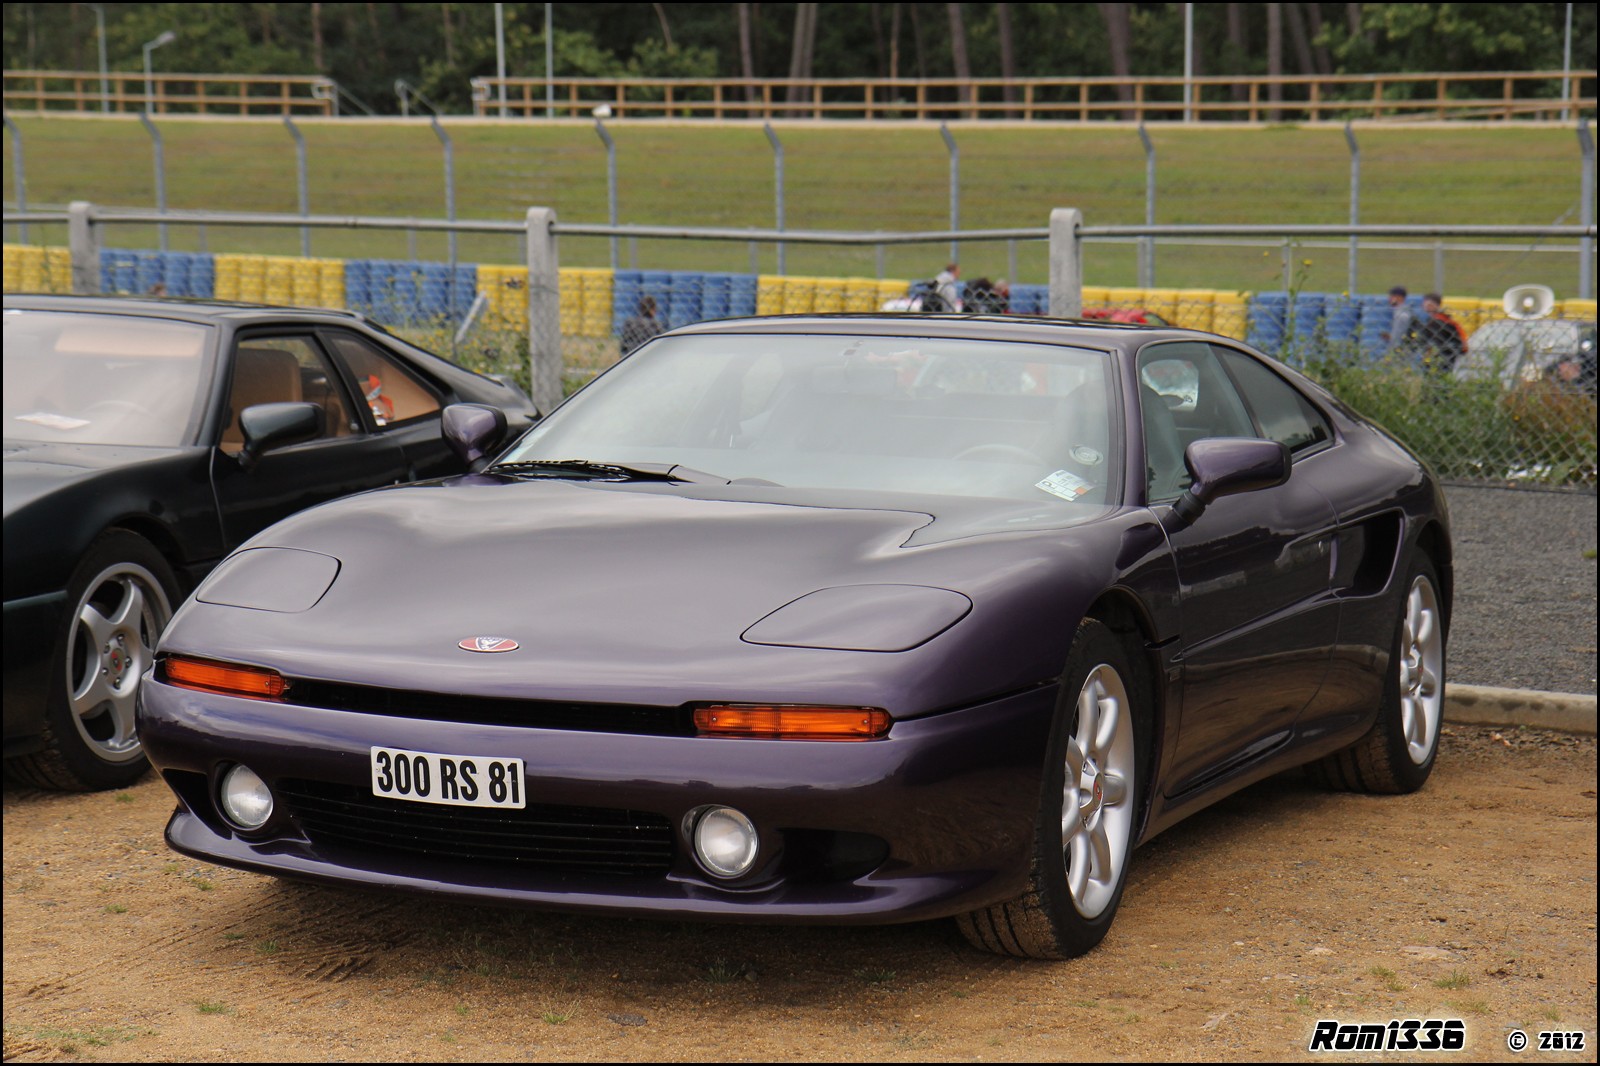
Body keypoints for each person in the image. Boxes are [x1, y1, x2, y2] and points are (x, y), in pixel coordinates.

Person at [1412, 293, 1467, 375]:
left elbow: (1437, 341)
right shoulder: (1437, 319)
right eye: (1425, 304)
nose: (1426, 306)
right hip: (1447, 353)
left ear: (1437, 306)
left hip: (1443, 355)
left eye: (1430, 304)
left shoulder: (1438, 322)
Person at [1380, 285, 1414, 356]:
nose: (1389, 299)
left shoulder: (1401, 315)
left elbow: (1397, 338)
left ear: (1399, 298)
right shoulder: (1403, 311)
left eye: (1391, 296)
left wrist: (1389, 354)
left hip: (1401, 352)